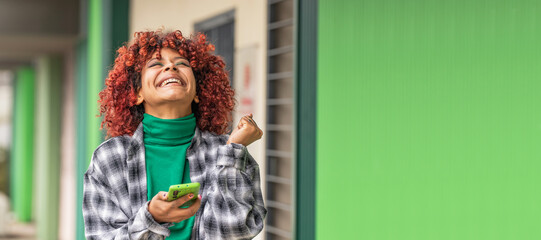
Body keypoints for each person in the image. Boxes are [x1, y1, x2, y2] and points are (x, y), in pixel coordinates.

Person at [82, 30, 266, 239]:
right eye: (155, 64)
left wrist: (233, 152)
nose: (171, 66)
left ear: (197, 92)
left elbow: (234, 233)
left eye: (182, 63)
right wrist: (152, 217)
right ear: (138, 93)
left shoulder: (230, 153)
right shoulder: (109, 158)